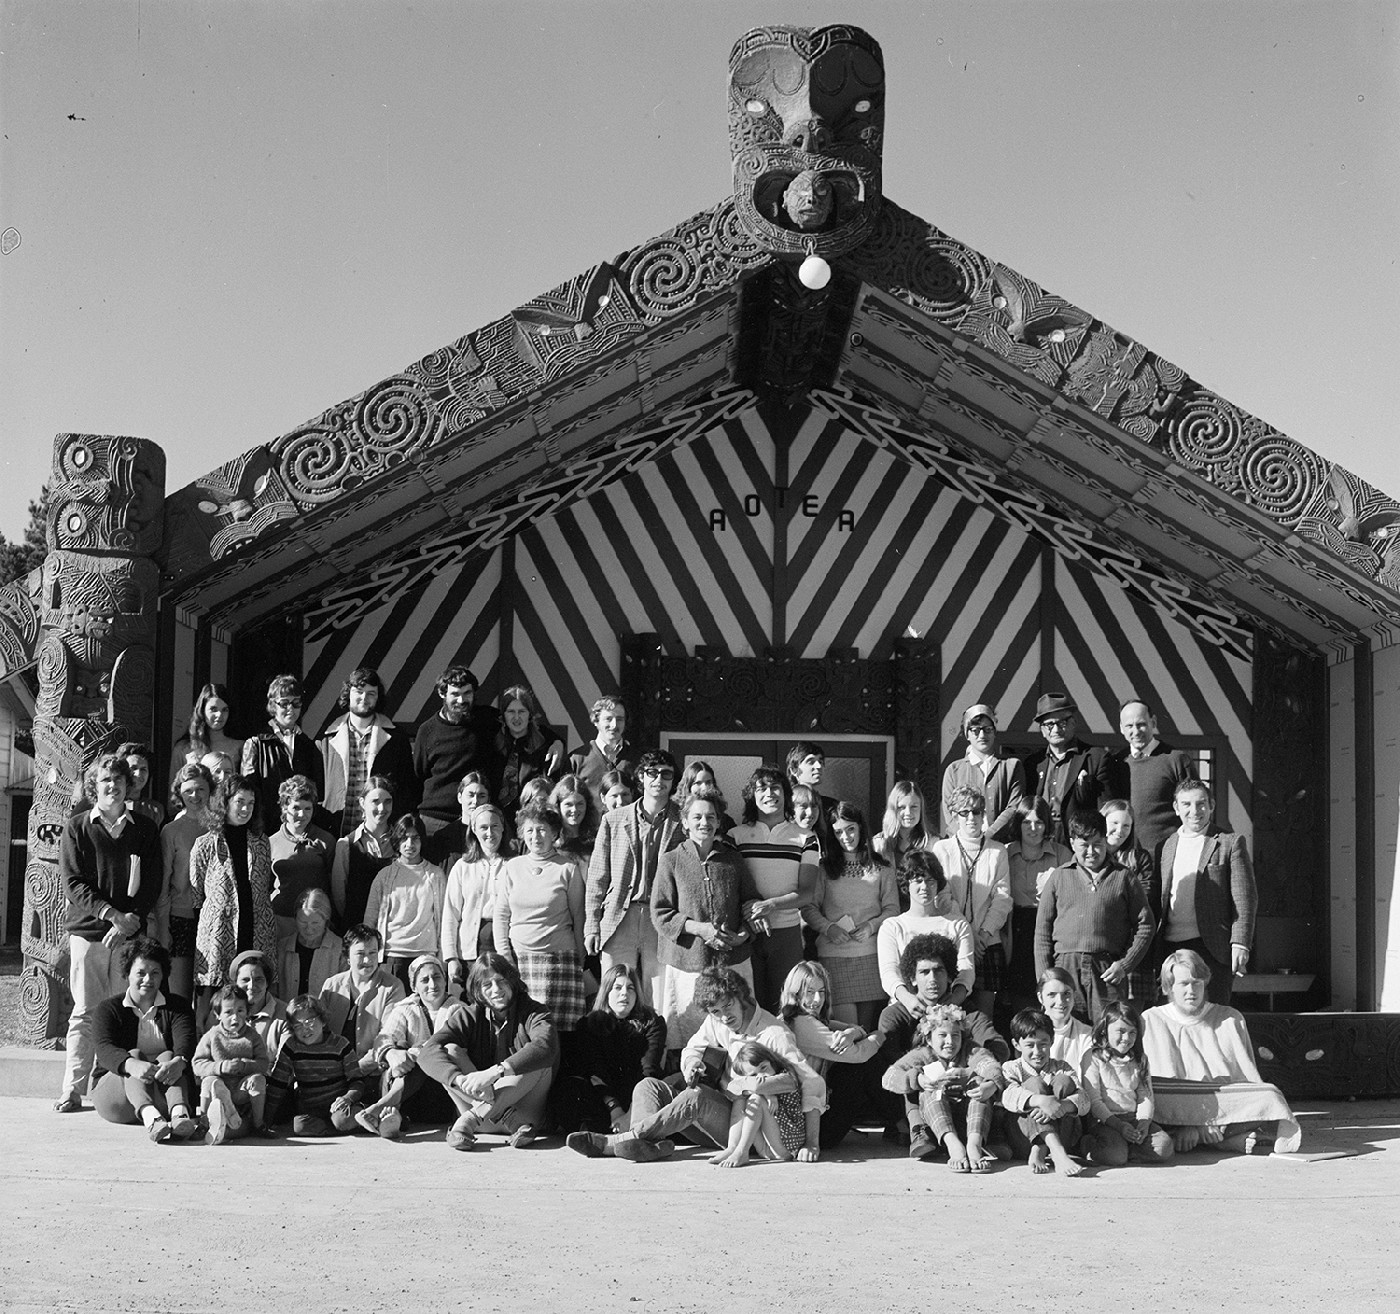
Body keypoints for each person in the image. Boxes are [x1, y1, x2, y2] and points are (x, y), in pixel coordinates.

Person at [566, 966, 823, 1163]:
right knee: (648, 1086)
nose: (725, 1017)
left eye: (728, 1006)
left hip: (751, 1130)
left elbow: (808, 1081)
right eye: (716, 1011)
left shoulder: (774, 1033)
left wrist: (812, 1144)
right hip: (722, 1112)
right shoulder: (717, 1022)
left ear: (741, 996)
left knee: (696, 1097)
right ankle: (648, 1146)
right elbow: (693, 1047)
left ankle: (614, 1143)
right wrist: (692, 1064)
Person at [55, 753, 165, 1114]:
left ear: (127, 785)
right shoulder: (77, 827)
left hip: (130, 937)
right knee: (85, 1012)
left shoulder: (145, 828)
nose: (113, 786)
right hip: (89, 935)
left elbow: (152, 882)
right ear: (94, 786)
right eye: (105, 780)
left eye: (119, 780)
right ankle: (72, 1088)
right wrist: (111, 916)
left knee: (123, 1013)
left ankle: (111, 1086)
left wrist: (130, 919)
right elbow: (73, 882)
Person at [1142, 949, 1301, 1155]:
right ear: (1168, 987)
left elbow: (1247, 1077)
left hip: (1221, 1100)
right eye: (1183, 984)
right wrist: (1190, 1121)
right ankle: (1219, 1140)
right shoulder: (1151, 1019)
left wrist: (1200, 1124)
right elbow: (1149, 1082)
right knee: (1151, 1101)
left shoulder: (1229, 1017)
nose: (1191, 990)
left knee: (1270, 1097)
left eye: (1197, 982)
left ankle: (1200, 1137)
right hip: (1176, 1100)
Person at [873, 934, 1010, 1158]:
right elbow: (888, 1066)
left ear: (950, 976)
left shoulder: (967, 1012)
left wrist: (971, 1071)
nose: (933, 978)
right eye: (924, 972)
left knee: (987, 1072)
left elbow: (997, 1047)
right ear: (913, 978)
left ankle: (985, 1134)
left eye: (939, 971)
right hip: (914, 1095)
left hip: (962, 1093)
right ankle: (917, 1130)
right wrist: (922, 1075)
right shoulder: (895, 1015)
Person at [418, 952, 559, 1150]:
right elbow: (428, 1051)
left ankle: (471, 1117)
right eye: (487, 985)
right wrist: (458, 1079)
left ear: (512, 981)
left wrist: (495, 1072)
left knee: (537, 1060)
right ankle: (502, 1114)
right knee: (449, 1051)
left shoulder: (535, 1011)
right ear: (478, 990)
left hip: (523, 1116)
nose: (496, 990)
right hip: (504, 1122)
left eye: (501, 981)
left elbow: (546, 1047)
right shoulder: (468, 1014)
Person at [651, 786, 758, 1048]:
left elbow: (751, 903)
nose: (704, 823)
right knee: (691, 1035)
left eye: (710, 817)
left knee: (736, 1034)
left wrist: (743, 934)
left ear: (719, 821)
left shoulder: (732, 860)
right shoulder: (671, 861)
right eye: (697, 817)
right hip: (688, 964)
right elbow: (660, 912)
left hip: (733, 962)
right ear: (685, 822)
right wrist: (701, 929)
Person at [585, 748, 684, 1008]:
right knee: (615, 993)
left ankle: (655, 1049)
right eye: (652, 773)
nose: (659, 779)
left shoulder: (683, 821)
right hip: (620, 916)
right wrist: (592, 926)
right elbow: (597, 878)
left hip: (661, 918)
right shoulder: (614, 820)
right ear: (641, 777)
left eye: (666, 774)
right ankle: (613, 1048)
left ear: (673, 781)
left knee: (659, 997)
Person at [1034, 811, 1155, 1023]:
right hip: (1065, 967)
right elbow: (1042, 933)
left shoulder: (1123, 877)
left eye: (1098, 844)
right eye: (1084, 845)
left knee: (1107, 1033)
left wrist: (1125, 965)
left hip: (1106, 970)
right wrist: (1046, 981)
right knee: (1067, 1032)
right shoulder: (1059, 876)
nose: (1091, 851)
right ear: (1072, 843)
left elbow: (1145, 925)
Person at [1153, 780, 1256, 1005]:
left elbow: (1244, 898)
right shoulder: (1165, 846)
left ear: (1211, 805)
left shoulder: (1229, 843)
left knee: (1213, 1016)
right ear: (1176, 807)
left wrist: (1240, 943)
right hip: (1171, 947)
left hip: (1212, 948)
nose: (1194, 811)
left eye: (1201, 804)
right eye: (1186, 804)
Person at [87, 937, 198, 1141]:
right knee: (135, 1054)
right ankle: (152, 1120)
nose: (148, 979)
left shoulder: (179, 1007)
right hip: (117, 1099)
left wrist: (178, 1063)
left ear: (163, 975)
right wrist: (132, 1065)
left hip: (165, 1095)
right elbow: (104, 1049)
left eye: (155, 973)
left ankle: (179, 1115)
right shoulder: (108, 1009)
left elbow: (187, 1042)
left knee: (170, 1057)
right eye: (141, 973)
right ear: (127, 973)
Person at [804, 802, 899, 1029]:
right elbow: (808, 908)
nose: (845, 837)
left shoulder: (882, 869)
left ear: (861, 829)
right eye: (838, 832)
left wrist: (871, 926)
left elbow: (893, 910)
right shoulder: (824, 869)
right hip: (834, 957)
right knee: (849, 1031)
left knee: (866, 1032)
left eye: (850, 829)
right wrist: (829, 928)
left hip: (871, 957)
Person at [494, 804, 587, 1029]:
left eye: (542, 829)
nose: (536, 836)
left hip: (560, 963)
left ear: (554, 833)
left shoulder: (568, 869)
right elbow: (501, 915)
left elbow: (578, 918)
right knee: (526, 1031)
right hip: (519, 963)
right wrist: (506, 959)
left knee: (562, 1035)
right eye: (530, 830)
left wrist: (579, 961)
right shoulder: (511, 867)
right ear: (522, 835)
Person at [881, 1003, 1004, 1171]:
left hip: (970, 1123)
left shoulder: (970, 1051)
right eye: (942, 1035)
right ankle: (954, 1147)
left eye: (955, 1035)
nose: (950, 1042)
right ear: (929, 1039)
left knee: (980, 1090)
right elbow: (888, 1077)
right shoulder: (923, 1054)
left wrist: (990, 1084)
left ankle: (974, 1146)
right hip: (938, 1127)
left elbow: (990, 1065)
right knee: (930, 1092)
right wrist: (916, 1079)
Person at [778, 960, 885, 1152]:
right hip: (808, 1127)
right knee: (864, 1065)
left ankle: (901, 1122)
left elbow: (853, 1029)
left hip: (813, 1112)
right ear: (795, 993)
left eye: (822, 992)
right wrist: (879, 1037)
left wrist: (853, 1033)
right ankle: (902, 1122)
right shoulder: (803, 1024)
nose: (817, 1000)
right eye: (809, 992)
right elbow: (859, 1055)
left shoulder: (809, 1020)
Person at [730, 764, 811, 1010]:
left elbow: (807, 892)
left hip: (786, 934)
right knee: (748, 1005)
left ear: (786, 794)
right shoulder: (735, 836)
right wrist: (751, 911)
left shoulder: (806, 838)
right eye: (761, 789)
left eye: (775, 788)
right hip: (747, 934)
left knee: (786, 1006)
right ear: (751, 797)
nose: (769, 794)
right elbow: (731, 886)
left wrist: (770, 906)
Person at [356, 953, 460, 1138]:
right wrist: (391, 1054)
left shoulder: (458, 1010)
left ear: (445, 980)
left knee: (420, 1049)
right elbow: (384, 1037)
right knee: (399, 1047)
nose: (432, 984)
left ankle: (383, 1107)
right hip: (410, 1095)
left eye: (437, 977)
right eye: (424, 980)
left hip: (439, 1096)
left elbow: (445, 1045)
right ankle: (393, 1117)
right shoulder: (405, 1008)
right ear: (414, 986)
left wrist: (413, 1053)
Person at [556, 962, 667, 1134]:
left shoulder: (652, 1023)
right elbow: (594, 1070)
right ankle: (590, 1134)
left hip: (637, 1097)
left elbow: (649, 1069)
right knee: (570, 1087)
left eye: (631, 988)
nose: (625, 993)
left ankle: (631, 1130)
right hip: (603, 1097)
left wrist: (630, 1113)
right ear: (606, 993)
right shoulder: (589, 1023)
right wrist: (614, 1107)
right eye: (617, 988)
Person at [933, 785, 1012, 1018]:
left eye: (976, 812)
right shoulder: (942, 849)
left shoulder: (998, 852)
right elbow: (943, 896)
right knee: (950, 1010)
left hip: (987, 943)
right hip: (953, 939)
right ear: (955, 816)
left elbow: (1002, 898)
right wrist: (968, 935)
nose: (971, 818)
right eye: (964, 812)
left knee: (983, 1015)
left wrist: (982, 936)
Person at [317, 667, 415, 836]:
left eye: (371, 693)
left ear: (378, 698)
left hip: (380, 835)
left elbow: (407, 789)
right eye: (359, 692)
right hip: (336, 832)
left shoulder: (396, 738)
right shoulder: (326, 739)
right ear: (348, 694)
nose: (364, 698)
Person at [1079, 1000, 1174, 1166]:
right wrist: (1118, 1126)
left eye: (1132, 1032)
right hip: (1106, 1120)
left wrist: (1144, 1122)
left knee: (1164, 1146)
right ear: (1104, 1031)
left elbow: (1145, 1096)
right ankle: (1091, 1145)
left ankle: (1125, 1149)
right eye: (1120, 1031)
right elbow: (1094, 1101)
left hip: (1132, 1119)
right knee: (1115, 1156)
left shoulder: (1140, 1060)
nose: (1126, 1038)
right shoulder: (1093, 1057)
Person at [876, 850, 975, 1009]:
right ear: (907, 884)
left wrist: (952, 1002)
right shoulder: (892, 927)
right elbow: (889, 972)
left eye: (930, 881)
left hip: (949, 1008)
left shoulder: (957, 924)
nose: (925, 887)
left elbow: (966, 969)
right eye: (917, 880)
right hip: (905, 1007)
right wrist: (908, 1000)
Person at [1020, 692, 1116, 845]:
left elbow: (1106, 811)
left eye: (1062, 722)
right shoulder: (1033, 764)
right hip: (1038, 842)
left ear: (1074, 722)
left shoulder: (1096, 758)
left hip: (1078, 845)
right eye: (1049, 725)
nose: (1056, 729)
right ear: (1042, 730)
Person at [265, 993, 368, 1136]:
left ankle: (370, 1117)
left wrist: (347, 1098)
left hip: (339, 1106)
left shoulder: (340, 1045)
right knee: (299, 1126)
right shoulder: (292, 1047)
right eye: (297, 1025)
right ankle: (343, 1127)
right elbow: (278, 1084)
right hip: (310, 1109)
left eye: (309, 1021)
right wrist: (265, 1121)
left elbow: (357, 1082)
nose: (305, 1029)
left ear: (323, 1020)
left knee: (341, 1120)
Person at [1003, 796, 1070, 1013]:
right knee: (1020, 1002)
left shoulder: (1061, 854)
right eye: (1026, 822)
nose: (1033, 828)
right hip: (1015, 929)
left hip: (1049, 927)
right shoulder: (1005, 853)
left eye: (1039, 822)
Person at [363, 813, 447, 987]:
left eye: (415, 838)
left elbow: (445, 919)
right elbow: (370, 920)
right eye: (404, 838)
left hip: (426, 956)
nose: (410, 844)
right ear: (397, 841)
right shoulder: (384, 876)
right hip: (392, 956)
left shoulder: (436, 875)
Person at [999, 1007, 1086, 1175]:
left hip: (1063, 1132)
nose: (1037, 1052)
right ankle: (1054, 1151)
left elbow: (1084, 1099)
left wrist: (1061, 1105)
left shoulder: (1062, 1067)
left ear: (1052, 1041)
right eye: (1030, 1045)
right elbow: (1008, 1096)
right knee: (1034, 1084)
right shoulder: (1011, 1068)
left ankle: (1042, 1148)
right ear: (1016, 1044)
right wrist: (1041, 1101)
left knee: (1064, 1081)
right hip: (1024, 1139)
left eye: (1043, 1044)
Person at [155, 762, 214, 1000]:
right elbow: (163, 885)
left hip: (213, 920)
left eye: (200, 789)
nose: (195, 795)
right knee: (179, 995)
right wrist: (162, 928)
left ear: (210, 790)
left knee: (208, 998)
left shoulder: (220, 828)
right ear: (179, 792)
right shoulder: (171, 831)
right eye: (189, 790)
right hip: (181, 918)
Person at [318, 924, 407, 1084]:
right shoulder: (331, 985)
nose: (367, 960)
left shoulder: (393, 986)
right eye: (360, 954)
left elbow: (388, 1037)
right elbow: (319, 1032)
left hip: (372, 1074)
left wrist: (355, 1071)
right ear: (347, 957)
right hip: (330, 1071)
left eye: (372, 953)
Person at [1111, 699, 1198, 859]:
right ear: (1121, 729)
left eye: (1141, 724)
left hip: (1169, 858)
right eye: (1129, 726)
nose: (1136, 731)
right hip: (1127, 860)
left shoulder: (1177, 759)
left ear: (1154, 722)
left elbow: (1194, 809)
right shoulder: (1116, 762)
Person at [240, 675, 324, 839]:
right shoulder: (256, 744)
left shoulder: (309, 746)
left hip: (300, 831)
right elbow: (248, 792)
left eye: (296, 703)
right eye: (284, 703)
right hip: (267, 831)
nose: (290, 709)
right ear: (272, 705)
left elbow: (315, 793)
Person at [193, 982, 274, 1144]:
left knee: (259, 1079)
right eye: (228, 1012)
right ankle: (204, 1122)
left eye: (240, 1011)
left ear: (247, 1013)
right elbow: (198, 1064)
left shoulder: (252, 1037)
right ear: (217, 1015)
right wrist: (220, 1067)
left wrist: (245, 1066)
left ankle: (258, 1124)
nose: (235, 1017)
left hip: (240, 1091)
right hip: (218, 1090)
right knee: (210, 1081)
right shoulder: (212, 1036)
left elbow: (263, 1064)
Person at [441, 803, 509, 986]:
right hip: (470, 950)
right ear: (474, 831)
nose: (489, 833)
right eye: (483, 827)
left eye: (494, 826)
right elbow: (450, 914)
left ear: (503, 827)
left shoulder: (514, 864)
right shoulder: (462, 867)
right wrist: (451, 957)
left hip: (505, 947)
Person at [711, 1041, 808, 1167]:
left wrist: (762, 1091)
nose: (761, 1076)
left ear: (771, 1061)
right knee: (740, 1099)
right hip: (765, 1148)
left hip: (787, 1147)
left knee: (755, 1098)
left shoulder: (785, 1076)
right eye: (753, 1075)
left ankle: (742, 1151)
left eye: (763, 1068)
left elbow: (758, 1086)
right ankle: (732, 1147)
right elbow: (733, 1088)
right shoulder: (759, 1080)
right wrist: (767, 1094)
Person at [1102, 798, 1158, 1011]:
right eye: (1114, 823)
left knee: (1131, 1016)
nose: (1120, 830)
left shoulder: (1140, 858)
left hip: (1132, 949)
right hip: (1104, 944)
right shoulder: (1090, 855)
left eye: (1126, 825)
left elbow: (1145, 898)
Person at [940, 704, 1026, 842]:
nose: (982, 735)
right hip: (962, 846)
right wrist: (968, 840)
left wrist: (988, 836)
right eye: (975, 730)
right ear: (967, 734)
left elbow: (1013, 807)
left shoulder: (1011, 766)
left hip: (1002, 845)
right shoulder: (954, 770)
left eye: (988, 729)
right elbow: (949, 811)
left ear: (994, 732)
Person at [267, 774, 334, 940]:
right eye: (296, 808)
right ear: (284, 808)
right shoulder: (270, 843)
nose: (301, 814)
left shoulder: (325, 840)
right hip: (281, 919)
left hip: (315, 921)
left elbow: (334, 882)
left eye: (307, 809)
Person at [329, 775, 397, 928]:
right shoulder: (347, 845)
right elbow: (339, 898)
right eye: (375, 801)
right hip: (357, 931)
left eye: (387, 802)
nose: (382, 808)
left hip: (393, 930)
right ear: (362, 803)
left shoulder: (401, 843)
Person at [497, 684, 558, 823]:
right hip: (498, 822)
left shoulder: (544, 748)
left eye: (522, 711)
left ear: (530, 714)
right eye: (511, 711)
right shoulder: (493, 745)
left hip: (534, 820)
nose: (516, 717)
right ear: (503, 715)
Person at [277, 887, 344, 1000]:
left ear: (326, 920)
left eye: (315, 923)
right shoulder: (283, 947)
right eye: (303, 922)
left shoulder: (339, 949)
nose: (309, 929)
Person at [568, 695, 633, 812]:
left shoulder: (638, 759)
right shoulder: (577, 759)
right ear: (596, 721)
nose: (614, 725)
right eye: (608, 719)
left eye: (619, 719)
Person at [171, 682, 244, 785]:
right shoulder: (183, 749)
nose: (219, 715)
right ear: (202, 711)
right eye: (213, 709)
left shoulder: (240, 747)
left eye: (224, 710)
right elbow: (174, 791)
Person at [230, 948, 290, 1068]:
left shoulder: (285, 1014)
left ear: (267, 983)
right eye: (245, 980)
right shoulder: (222, 1012)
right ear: (236, 983)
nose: (252, 986)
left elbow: (284, 1065)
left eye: (258, 979)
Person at [430, 771, 494, 873]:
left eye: (481, 796)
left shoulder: (493, 834)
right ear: (460, 797)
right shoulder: (444, 837)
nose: (475, 801)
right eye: (470, 795)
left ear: (488, 799)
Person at [1039, 966, 1092, 1071]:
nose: (1060, 1001)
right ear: (1041, 998)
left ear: (1074, 996)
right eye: (1051, 994)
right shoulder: (1028, 1031)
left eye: (1066, 994)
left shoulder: (1086, 1034)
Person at [550, 773, 599, 860]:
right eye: (568, 804)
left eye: (580, 804)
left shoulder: (597, 840)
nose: (574, 810)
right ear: (558, 806)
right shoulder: (548, 841)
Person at [677, 760, 734, 832]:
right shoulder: (676, 820)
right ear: (688, 787)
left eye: (708, 782)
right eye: (698, 783)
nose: (704, 788)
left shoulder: (726, 821)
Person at [118, 742, 165, 826]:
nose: (138, 774)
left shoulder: (156, 811)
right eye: (133, 768)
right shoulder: (110, 805)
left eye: (143, 769)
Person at [786, 740, 835, 814]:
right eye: (811, 762)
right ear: (794, 770)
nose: (819, 766)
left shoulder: (831, 806)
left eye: (820, 762)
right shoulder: (785, 805)